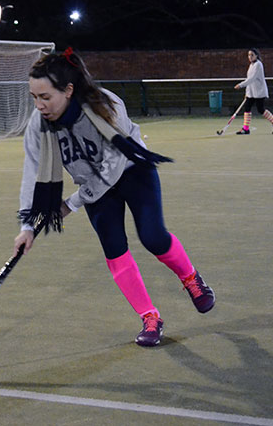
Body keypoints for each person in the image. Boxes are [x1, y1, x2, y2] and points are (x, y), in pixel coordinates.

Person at [14, 48, 215, 347]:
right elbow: (32, 172)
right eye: (34, 97)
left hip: (132, 172)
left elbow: (113, 164)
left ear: (68, 90)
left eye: (45, 97)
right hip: (92, 186)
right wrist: (27, 225)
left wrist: (70, 203)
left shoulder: (105, 105)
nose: (39, 105)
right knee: (114, 249)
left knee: (153, 237)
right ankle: (150, 317)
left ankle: (190, 278)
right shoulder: (39, 124)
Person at [234, 48, 273, 135]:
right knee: (247, 107)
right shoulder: (251, 65)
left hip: (259, 92)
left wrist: (241, 85)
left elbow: (252, 79)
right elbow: (249, 80)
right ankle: (246, 129)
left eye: (252, 55)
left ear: (256, 55)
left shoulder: (258, 65)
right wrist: (247, 93)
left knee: (261, 110)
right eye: (248, 55)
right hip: (251, 92)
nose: (250, 57)